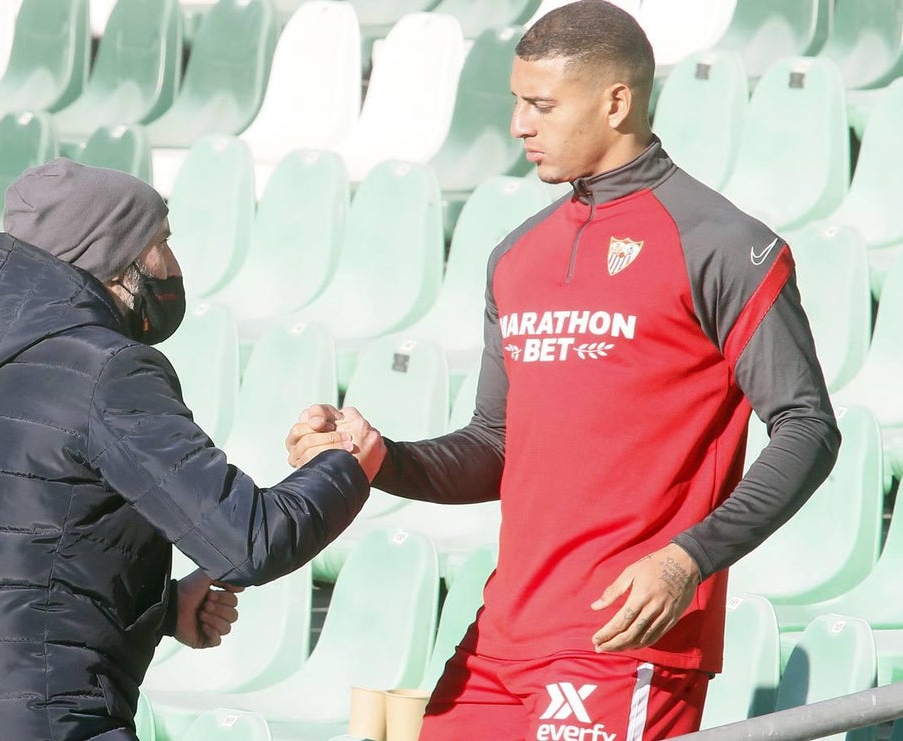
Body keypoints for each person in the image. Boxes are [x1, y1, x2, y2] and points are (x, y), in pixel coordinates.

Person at [287, 2, 840, 739]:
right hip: (501, 638)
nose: (519, 124)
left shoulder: (721, 244)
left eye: (541, 105)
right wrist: (374, 457)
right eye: (517, 102)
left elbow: (809, 427)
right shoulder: (518, 254)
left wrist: (688, 560)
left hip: (622, 643)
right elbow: (494, 446)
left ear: (617, 102)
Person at [0, 159, 379, 740]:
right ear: (116, 259)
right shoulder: (108, 372)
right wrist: (346, 464)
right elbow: (247, 541)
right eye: (162, 242)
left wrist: (161, 607)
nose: (174, 265)